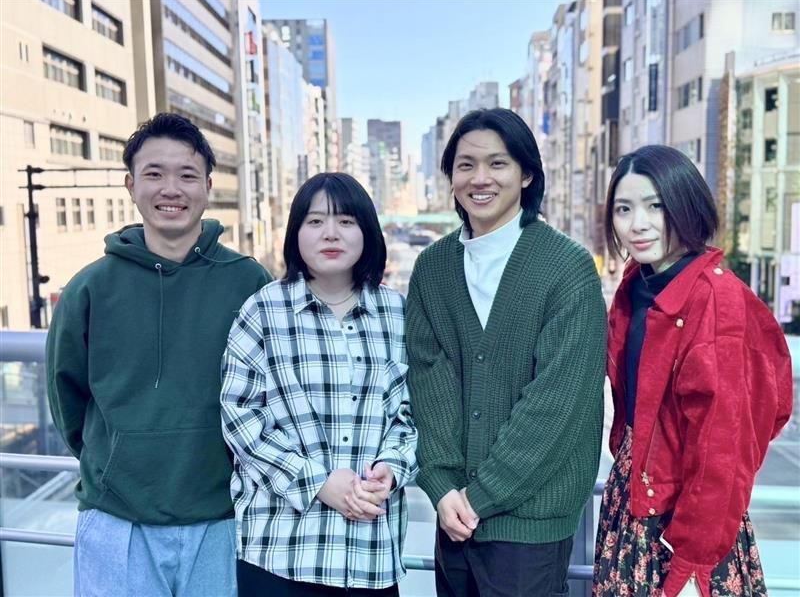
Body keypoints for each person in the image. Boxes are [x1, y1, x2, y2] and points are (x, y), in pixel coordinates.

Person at [46, 113, 271, 596]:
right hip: (116, 518)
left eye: (187, 175)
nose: (171, 189)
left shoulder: (250, 282)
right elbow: (67, 397)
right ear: (131, 185)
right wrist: (116, 459)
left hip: (225, 516)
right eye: (154, 174)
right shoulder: (89, 288)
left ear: (208, 187)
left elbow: (275, 392)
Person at [406, 107, 607, 596]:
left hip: (530, 523)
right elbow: (428, 384)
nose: (480, 178)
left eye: (498, 164)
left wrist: (480, 496)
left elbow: (558, 404)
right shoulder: (432, 268)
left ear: (526, 174)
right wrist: (442, 487)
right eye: (466, 165)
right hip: (454, 517)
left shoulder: (567, 268)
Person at [593, 145, 793, 597]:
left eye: (655, 206)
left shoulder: (716, 299)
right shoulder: (635, 287)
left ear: (686, 205)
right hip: (632, 504)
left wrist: (692, 562)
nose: (638, 224)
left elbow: (727, 445)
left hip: (689, 527)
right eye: (624, 209)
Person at [220, 172, 418, 597]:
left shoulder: (398, 314)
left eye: (346, 221)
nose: (331, 233)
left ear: (368, 232)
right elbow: (241, 419)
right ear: (295, 233)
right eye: (315, 221)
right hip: (280, 552)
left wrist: (391, 469)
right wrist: (317, 483)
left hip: (369, 555)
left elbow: (413, 414)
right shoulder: (263, 311)